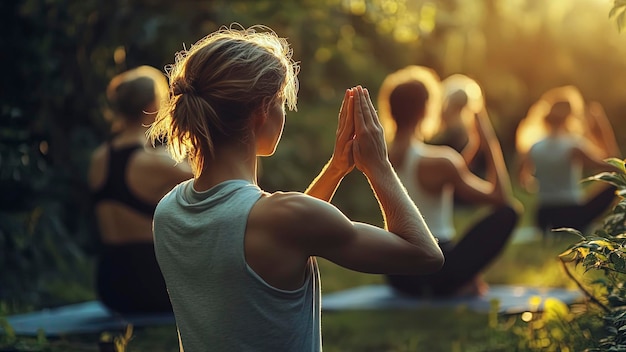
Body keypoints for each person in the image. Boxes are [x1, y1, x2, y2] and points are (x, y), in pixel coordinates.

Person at [146, 24, 443, 351]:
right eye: (281, 103)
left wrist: (336, 169)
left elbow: (286, 243)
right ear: (262, 109)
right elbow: (424, 255)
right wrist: (379, 167)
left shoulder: (168, 212)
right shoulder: (280, 218)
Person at [378, 66, 519, 297]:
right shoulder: (439, 161)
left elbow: (451, 172)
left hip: (396, 274)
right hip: (433, 269)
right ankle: (457, 284)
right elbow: (501, 198)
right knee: (509, 212)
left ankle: (458, 282)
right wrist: (489, 141)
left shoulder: (382, 157)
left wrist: (473, 146)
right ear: (426, 109)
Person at [88, 66, 193, 313]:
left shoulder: (98, 158)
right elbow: (225, 178)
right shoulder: (155, 162)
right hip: (151, 284)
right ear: (154, 106)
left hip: (109, 286)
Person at [516, 85, 621, 235]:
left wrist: (543, 187)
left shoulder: (534, 147)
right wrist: (602, 129)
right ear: (572, 116)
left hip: (543, 217)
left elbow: (522, 181)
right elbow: (614, 166)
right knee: (617, 182)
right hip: (571, 216)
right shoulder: (573, 145)